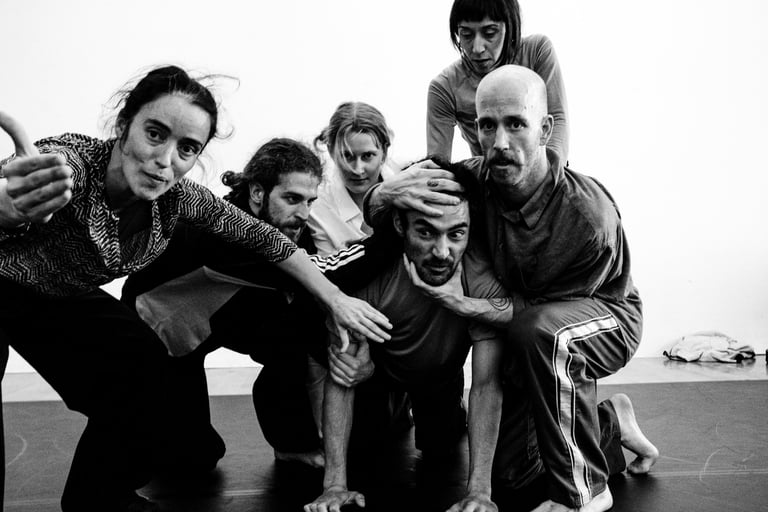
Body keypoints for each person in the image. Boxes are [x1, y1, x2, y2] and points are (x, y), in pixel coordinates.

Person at [0, 66, 391, 512]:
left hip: (63, 295)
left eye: (186, 148)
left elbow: (269, 242)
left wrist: (335, 300)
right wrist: (9, 206)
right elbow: (37, 173)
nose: (165, 159)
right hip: (13, 283)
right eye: (154, 134)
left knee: (149, 379)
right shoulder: (73, 164)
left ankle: (99, 499)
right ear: (123, 124)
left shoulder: (179, 198)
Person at [367, 65, 658, 512]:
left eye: (516, 124)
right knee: (514, 473)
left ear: (545, 129)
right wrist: (385, 194)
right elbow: (382, 213)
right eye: (488, 126)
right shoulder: (474, 181)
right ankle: (610, 424)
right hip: (532, 333)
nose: (500, 142)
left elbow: (543, 316)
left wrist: (466, 305)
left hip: (603, 319)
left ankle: (584, 491)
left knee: (542, 330)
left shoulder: (586, 217)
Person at [122, 137, 352, 470]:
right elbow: (323, 273)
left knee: (294, 330)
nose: (304, 213)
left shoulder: (290, 226)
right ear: (258, 192)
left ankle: (291, 443)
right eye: (292, 199)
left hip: (222, 309)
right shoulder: (221, 230)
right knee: (195, 458)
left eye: (310, 201)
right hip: (160, 329)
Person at [305, 167, 511, 512]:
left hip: (440, 377)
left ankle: (425, 409)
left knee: (442, 446)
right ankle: (396, 407)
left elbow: (486, 384)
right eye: (426, 232)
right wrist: (334, 485)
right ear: (401, 226)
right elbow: (343, 377)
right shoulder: (370, 273)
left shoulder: (481, 278)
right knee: (369, 449)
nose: (442, 251)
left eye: (456, 234)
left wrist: (479, 493)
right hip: (378, 373)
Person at [427, 0, 568, 162]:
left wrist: (552, 171)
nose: (477, 48)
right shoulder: (444, 87)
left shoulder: (536, 52)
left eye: (489, 33)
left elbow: (557, 118)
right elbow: (437, 165)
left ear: (510, 28)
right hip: (490, 174)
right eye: (466, 35)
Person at [309, 101, 399, 255]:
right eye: (347, 156)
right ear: (331, 151)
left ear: (384, 152)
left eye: (367, 156)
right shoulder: (317, 207)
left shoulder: (408, 186)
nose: (358, 169)